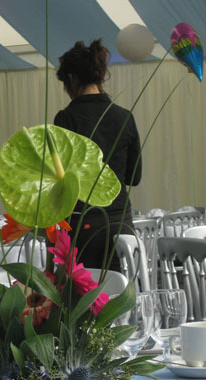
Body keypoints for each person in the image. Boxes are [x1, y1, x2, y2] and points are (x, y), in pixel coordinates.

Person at [54, 39, 142, 271]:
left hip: (83, 224)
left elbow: (60, 179)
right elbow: (134, 177)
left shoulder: (65, 119)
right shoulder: (125, 117)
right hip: (121, 224)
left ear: (71, 78)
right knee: (121, 294)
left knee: (86, 300)